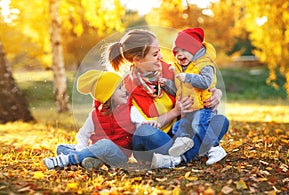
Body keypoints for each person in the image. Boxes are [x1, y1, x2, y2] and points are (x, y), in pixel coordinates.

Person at [107, 29, 229, 169]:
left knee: (220, 121)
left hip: (181, 136)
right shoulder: (127, 89)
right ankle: (191, 151)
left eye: (159, 51)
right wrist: (175, 111)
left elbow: (197, 83)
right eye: (154, 54)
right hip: (157, 140)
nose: (160, 56)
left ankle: (177, 158)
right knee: (145, 132)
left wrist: (216, 93)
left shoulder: (169, 69)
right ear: (137, 60)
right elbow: (141, 126)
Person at [43, 70, 156, 170]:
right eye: (120, 88)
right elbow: (82, 135)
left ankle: (70, 159)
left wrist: (147, 124)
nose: (125, 91)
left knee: (105, 144)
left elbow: (141, 128)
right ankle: (87, 160)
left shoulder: (131, 110)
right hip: (98, 150)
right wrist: (81, 149)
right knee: (60, 147)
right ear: (108, 96)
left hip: (119, 155)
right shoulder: (95, 115)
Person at [163, 27, 224, 159]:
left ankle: (215, 148)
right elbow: (177, 88)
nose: (179, 54)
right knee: (178, 126)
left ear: (194, 49)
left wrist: (188, 77)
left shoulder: (205, 65)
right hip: (189, 109)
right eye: (176, 51)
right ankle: (183, 143)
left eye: (183, 50)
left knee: (199, 124)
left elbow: (206, 82)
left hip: (203, 107)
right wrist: (166, 84)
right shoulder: (182, 67)